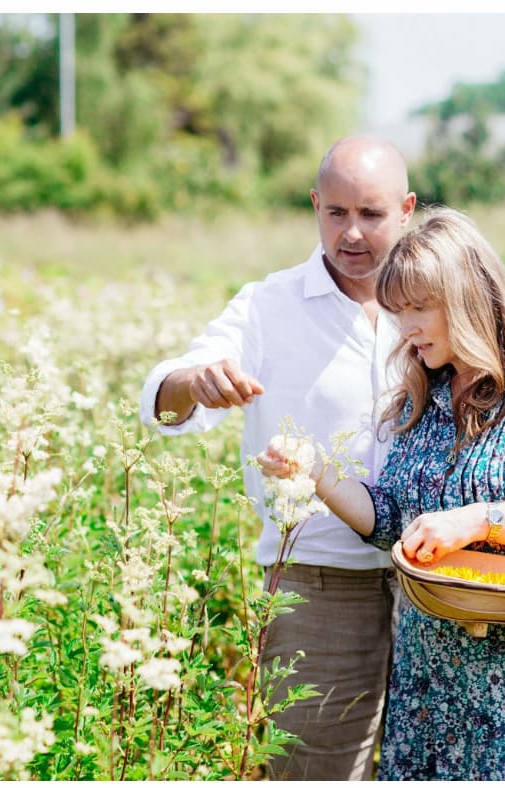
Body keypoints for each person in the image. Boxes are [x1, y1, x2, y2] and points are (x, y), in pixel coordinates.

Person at [258, 206, 505, 780]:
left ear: (469, 298)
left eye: (418, 309)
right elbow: (389, 521)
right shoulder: (420, 397)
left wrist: (476, 521)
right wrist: (317, 475)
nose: (404, 328)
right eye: (396, 310)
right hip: (431, 684)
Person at [140, 135, 417, 780]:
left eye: (371, 214)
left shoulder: (431, 303)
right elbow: (168, 393)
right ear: (314, 204)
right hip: (319, 588)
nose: (351, 232)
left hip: (433, 591)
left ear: (406, 210)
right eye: (335, 212)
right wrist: (197, 381)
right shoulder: (269, 305)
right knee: (317, 772)